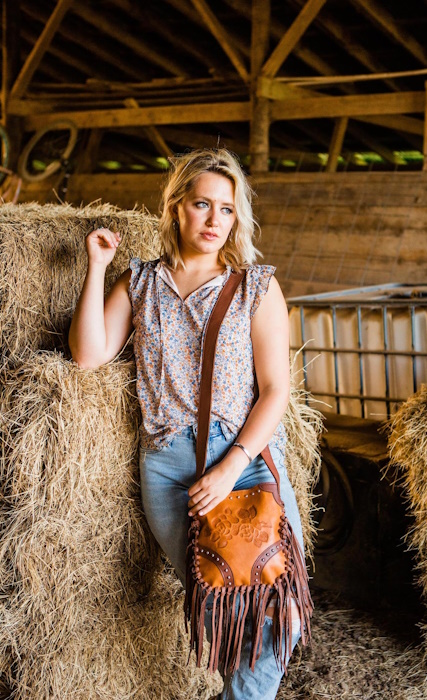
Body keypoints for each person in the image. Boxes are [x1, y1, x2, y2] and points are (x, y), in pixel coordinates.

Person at [69, 148, 307, 700]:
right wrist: (99, 267)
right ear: (176, 207)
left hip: (245, 464)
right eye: (203, 204)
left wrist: (230, 467)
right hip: (171, 470)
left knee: (278, 615)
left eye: (226, 209)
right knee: (223, 605)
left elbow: (275, 392)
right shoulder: (141, 283)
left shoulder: (257, 287)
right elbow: (88, 355)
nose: (214, 221)